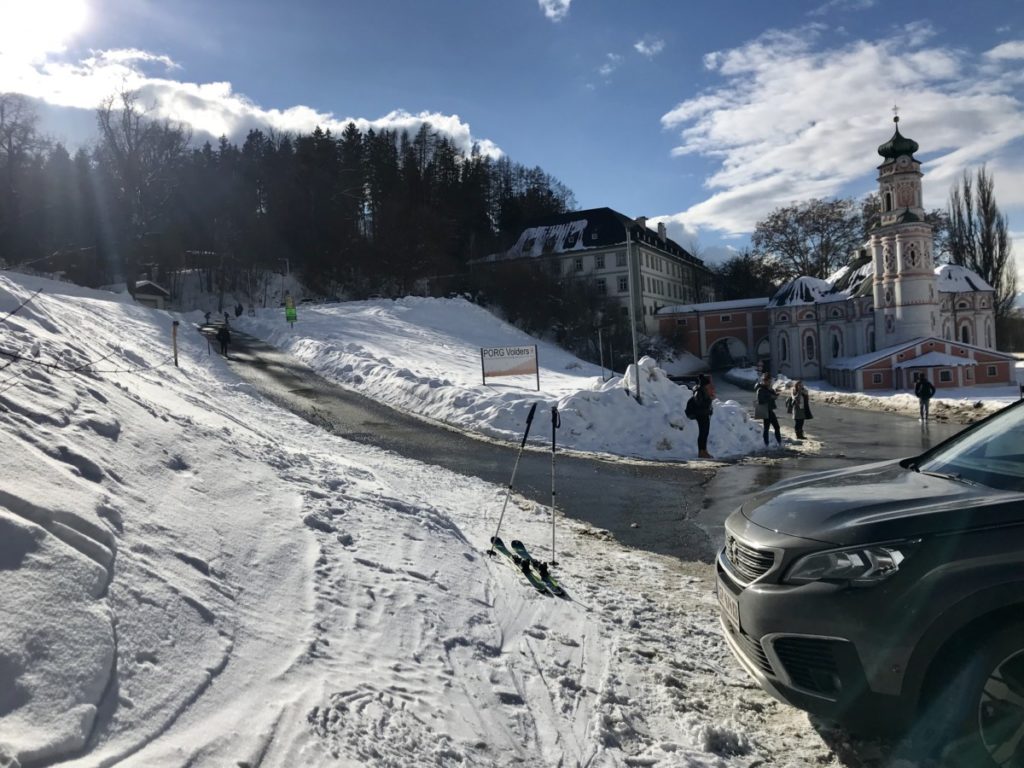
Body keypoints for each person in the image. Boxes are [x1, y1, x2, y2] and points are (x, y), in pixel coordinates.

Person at [691, 373, 715, 459]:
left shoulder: (704, 391)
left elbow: (706, 404)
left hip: (705, 414)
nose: (710, 386)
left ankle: (704, 450)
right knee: (702, 434)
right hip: (701, 415)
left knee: (705, 433)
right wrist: (709, 399)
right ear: (705, 385)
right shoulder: (699, 392)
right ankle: (701, 452)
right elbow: (699, 403)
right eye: (708, 384)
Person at [755, 373, 782, 447]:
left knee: (776, 427)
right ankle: (766, 444)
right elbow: (760, 400)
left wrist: (775, 395)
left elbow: (773, 396)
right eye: (767, 381)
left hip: (770, 410)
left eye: (770, 381)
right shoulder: (760, 389)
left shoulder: (769, 389)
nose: (769, 382)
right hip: (765, 410)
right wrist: (771, 396)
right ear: (764, 381)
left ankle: (779, 443)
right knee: (767, 428)